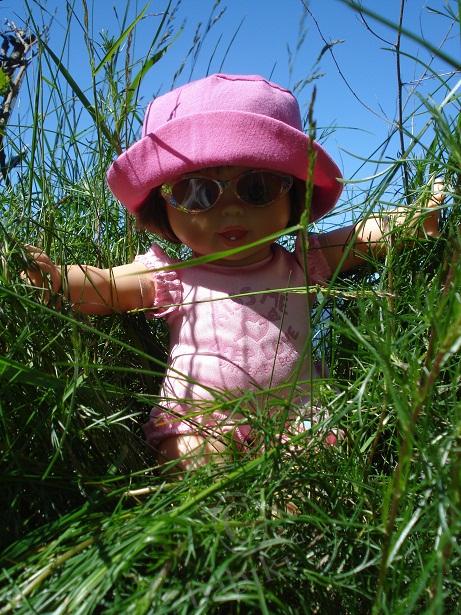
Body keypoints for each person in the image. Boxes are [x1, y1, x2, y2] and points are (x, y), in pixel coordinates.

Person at [25, 73, 443, 473]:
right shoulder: (174, 274)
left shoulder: (300, 263)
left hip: (297, 418)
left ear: (293, 195)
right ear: (162, 206)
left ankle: (288, 518)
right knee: (195, 459)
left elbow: (360, 238)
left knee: (316, 466)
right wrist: (59, 280)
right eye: (196, 192)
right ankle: (213, 516)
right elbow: (109, 284)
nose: (229, 208)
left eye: (257, 187)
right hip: (201, 418)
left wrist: (412, 221)